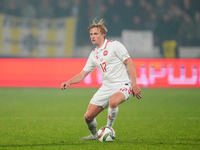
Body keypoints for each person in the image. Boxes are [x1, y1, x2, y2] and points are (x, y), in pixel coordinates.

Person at [60, 19, 141, 140]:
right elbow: (82, 74)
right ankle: (94, 136)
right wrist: (69, 82)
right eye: (91, 34)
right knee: (88, 117)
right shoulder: (94, 54)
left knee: (113, 101)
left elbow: (129, 62)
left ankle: (108, 130)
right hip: (107, 86)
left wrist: (134, 84)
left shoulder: (114, 45)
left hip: (123, 84)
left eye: (96, 34)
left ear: (103, 34)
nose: (93, 37)